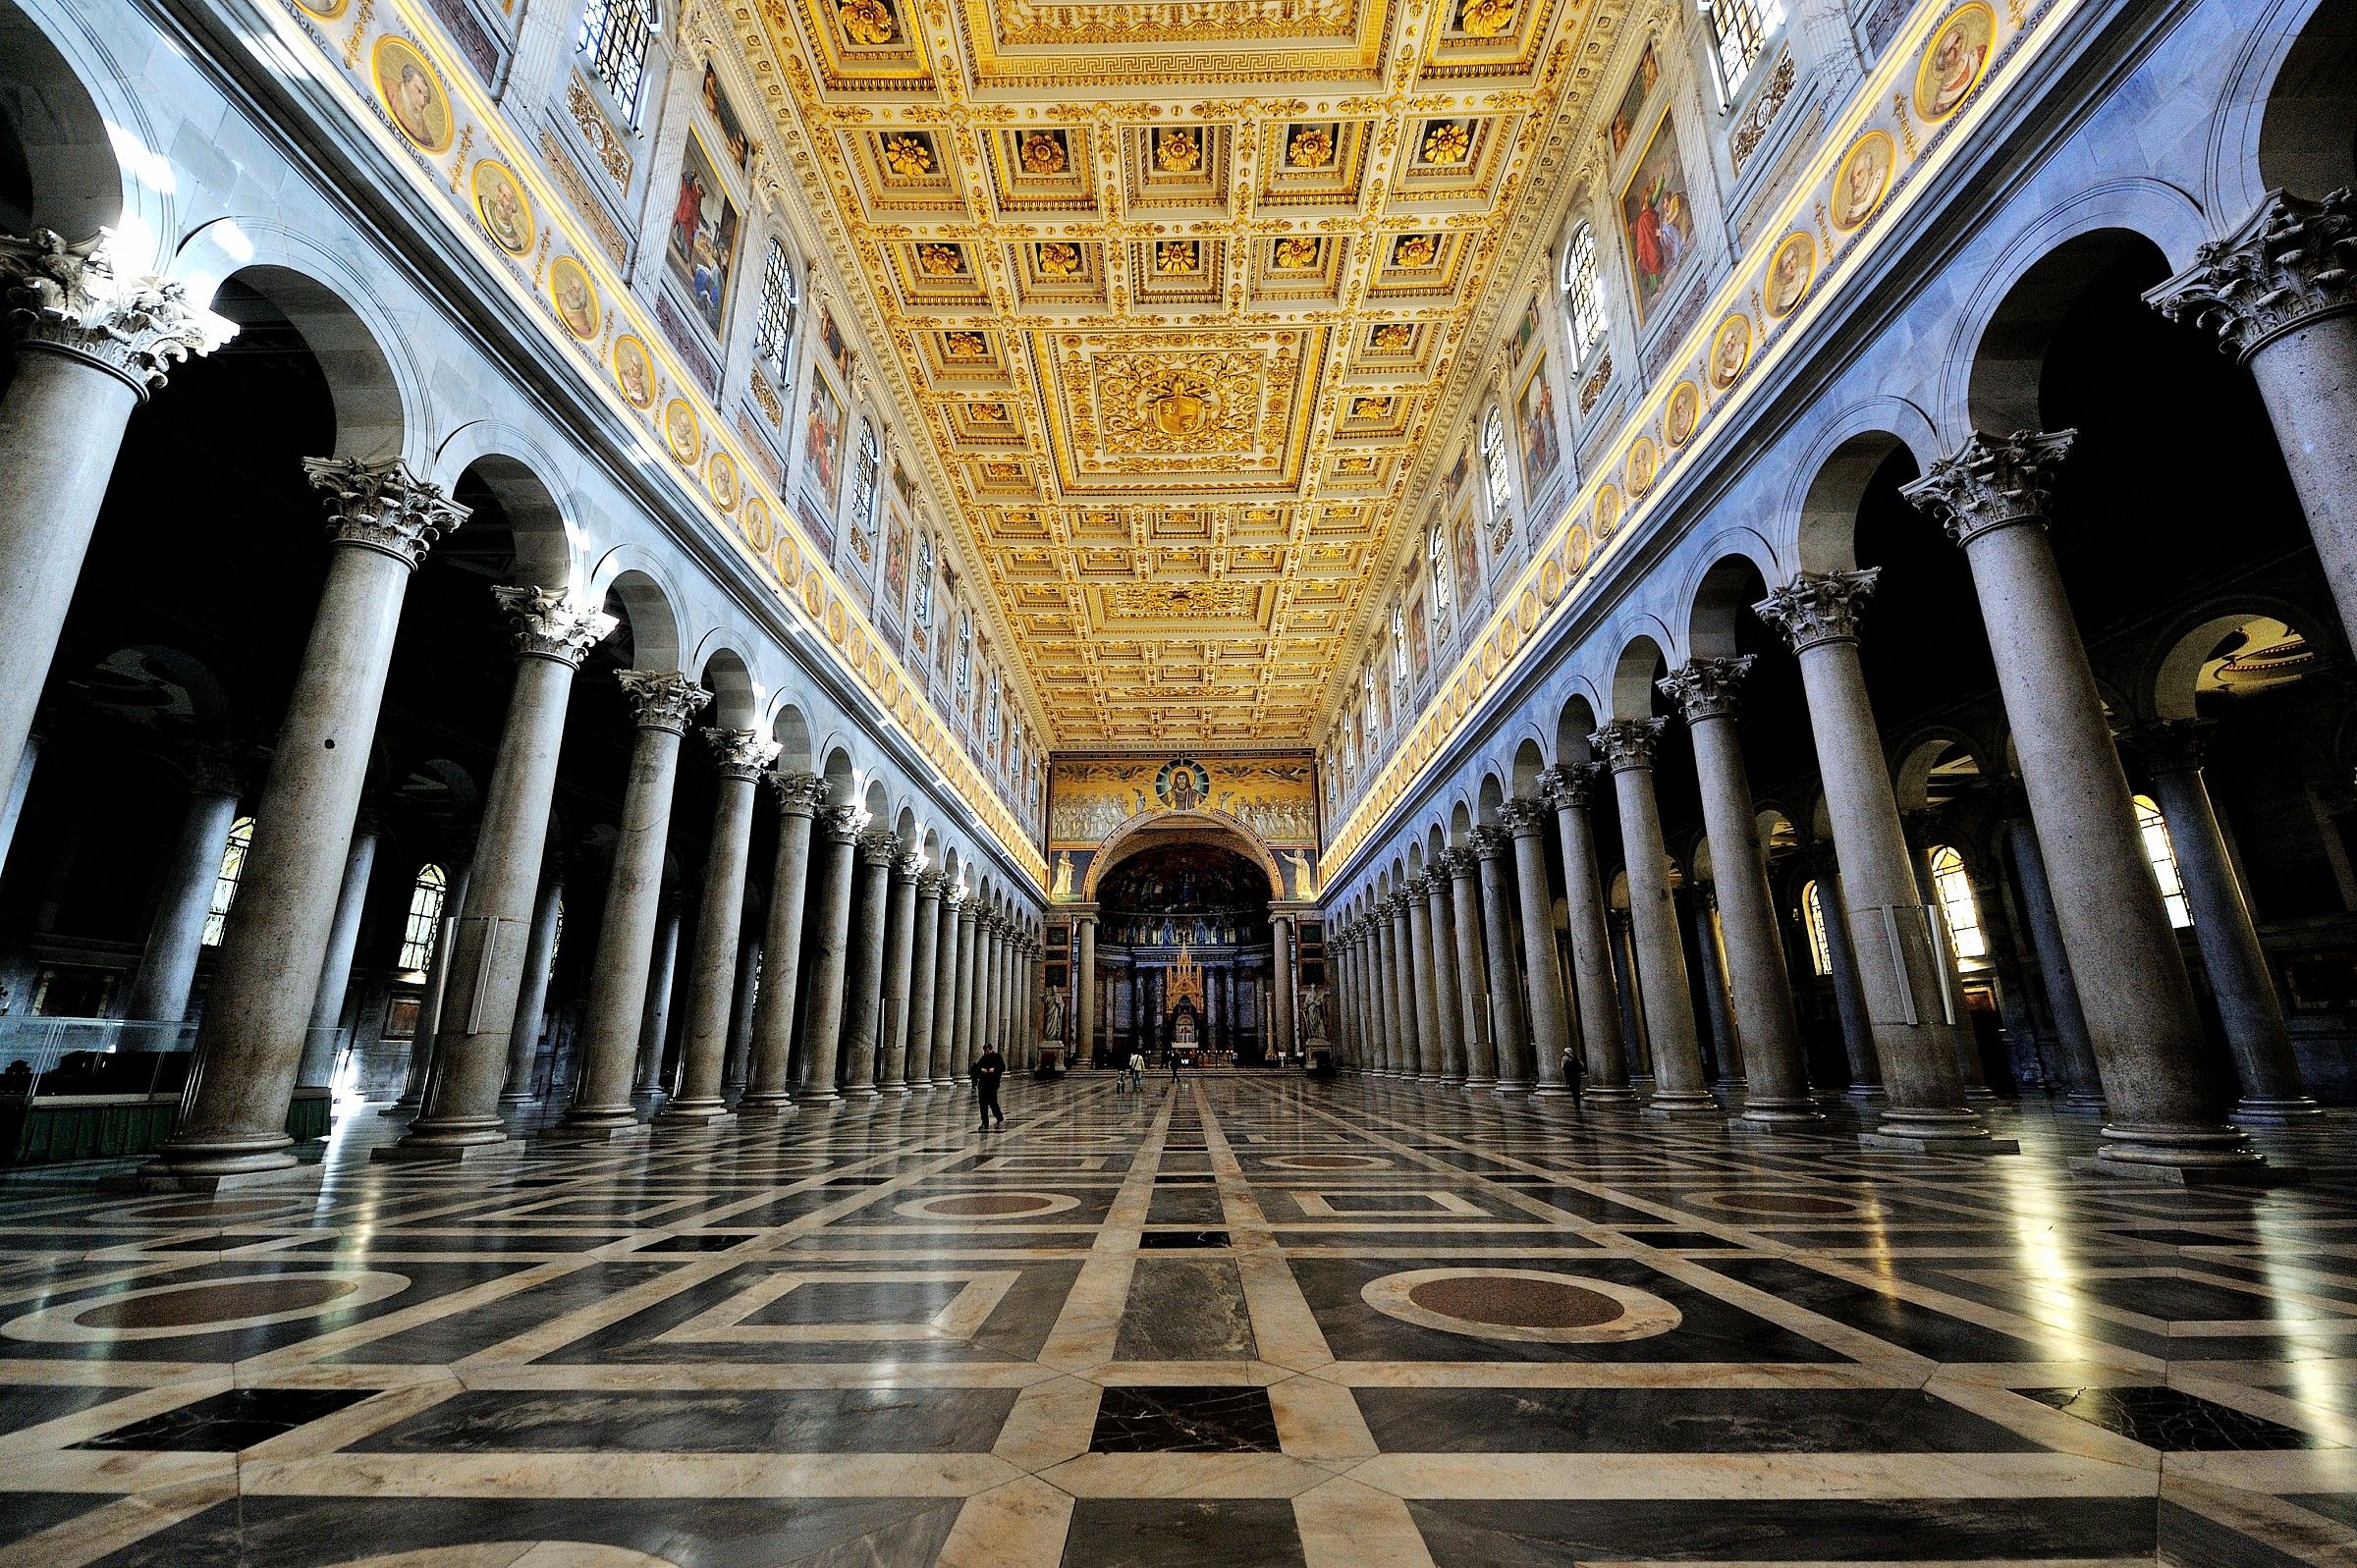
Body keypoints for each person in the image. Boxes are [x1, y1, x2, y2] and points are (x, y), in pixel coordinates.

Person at [972, 1045, 1007, 1130]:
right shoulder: (983, 1058)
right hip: (983, 1084)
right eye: (985, 1051)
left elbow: (1002, 1067)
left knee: (993, 1102)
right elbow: (975, 1068)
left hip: (992, 1084)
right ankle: (984, 1123)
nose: (986, 1052)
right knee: (982, 1104)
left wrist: (994, 1070)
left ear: (991, 1050)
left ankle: (999, 1119)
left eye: (987, 1051)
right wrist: (981, 1070)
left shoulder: (997, 1057)